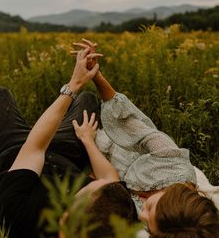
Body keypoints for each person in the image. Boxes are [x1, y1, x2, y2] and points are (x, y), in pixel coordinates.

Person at [72, 39, 219, 238]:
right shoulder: (171, 159)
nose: (142, 216)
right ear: (172, 198)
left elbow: (110, 184)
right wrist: (95, 74)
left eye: (149, 227)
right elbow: (129, 121)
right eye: (149, 210)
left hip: (90, 161)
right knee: (86, 99)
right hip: (101, 137)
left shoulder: (158, 227)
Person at [0, 47, 138, 238]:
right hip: (66, 153)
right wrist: (87, 141)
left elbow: (35, 147)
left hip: (19, 153)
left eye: (87, 187)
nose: (95, 180)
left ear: (66, 219)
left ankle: (42, 121)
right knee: (88, 99)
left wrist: (74, 84)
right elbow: (110, 179)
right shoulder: (114, 214)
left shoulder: (13, 219)